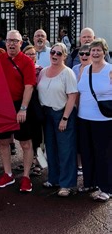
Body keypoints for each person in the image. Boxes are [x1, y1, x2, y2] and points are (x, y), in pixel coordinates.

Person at [0, 30, 36, 192]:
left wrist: (23, 108)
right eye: (9, 40)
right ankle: (8, 174)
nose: (11, 43)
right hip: (3, 105)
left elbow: (29, 86)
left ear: (21, 43)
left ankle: (26, 177)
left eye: (15, 41)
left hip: (20, 105)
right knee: (3, 141)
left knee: (25, 142)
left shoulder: (26, 61)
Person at [37, 43, 78, 196]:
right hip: (47, 114)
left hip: (62, 113)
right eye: (53, 52)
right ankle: (53, 179)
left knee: (66, 149)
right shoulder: (44, 71)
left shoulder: (67, 73)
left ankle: (67, 184)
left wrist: (65, 118)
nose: (54, 55)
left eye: (59, 53)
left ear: (65, 56)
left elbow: (72, 96)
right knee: (51, 148)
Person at [77, 38, 112, 202]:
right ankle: (90, 183)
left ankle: (106, 188)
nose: (95, 53)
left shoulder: (110, 70)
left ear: (104, 52)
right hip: (84, 118)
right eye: (93, 50)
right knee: (87, 151)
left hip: (103, 119)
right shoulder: (85, 69)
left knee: (103, 154)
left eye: (99, 50)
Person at [72, 44, 92, 176]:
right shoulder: (74, 69)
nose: (84, 56)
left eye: (87, 53)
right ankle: (79, 165)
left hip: (92, 111)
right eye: (81, 53)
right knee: (78, 139)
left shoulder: (96, 69)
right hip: (76, 110)